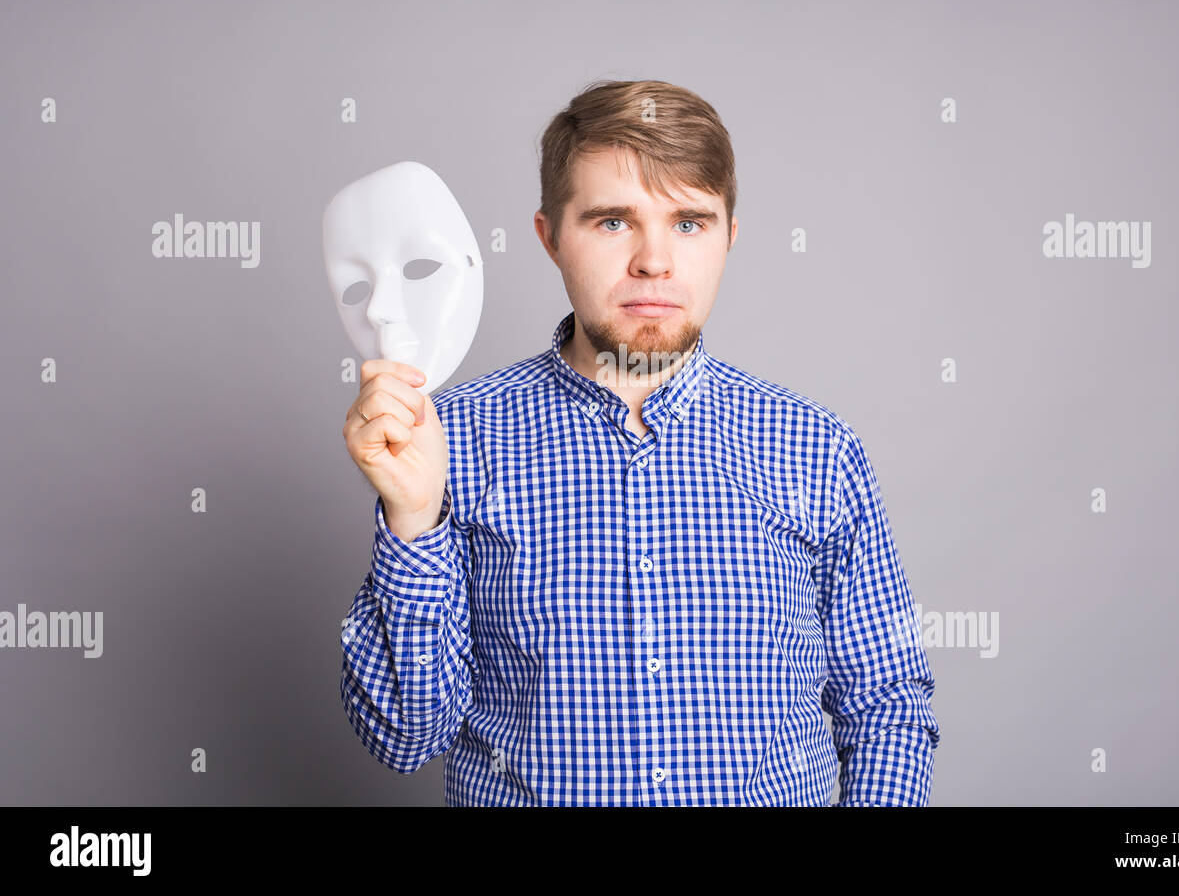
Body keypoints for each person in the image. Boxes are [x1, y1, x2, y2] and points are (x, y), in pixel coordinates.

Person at [339, 79, 940, 806]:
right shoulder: (451, 438)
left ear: (729, 238)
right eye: (613, 222)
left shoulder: (818, 448)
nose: (655, 261)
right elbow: (404, 737)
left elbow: (888, 706)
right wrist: (411, 521)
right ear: (550, 237)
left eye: (689, 222)